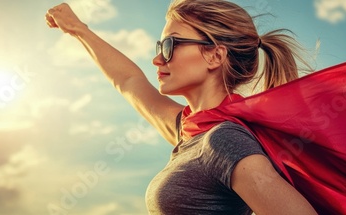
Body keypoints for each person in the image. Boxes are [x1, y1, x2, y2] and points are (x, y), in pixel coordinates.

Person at [45, 0, 320, 214]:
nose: (157, 59)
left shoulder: (225, 141)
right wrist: (78, 30)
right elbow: (128, 80)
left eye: (169, 45)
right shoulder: (190, 131)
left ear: (215, 55)